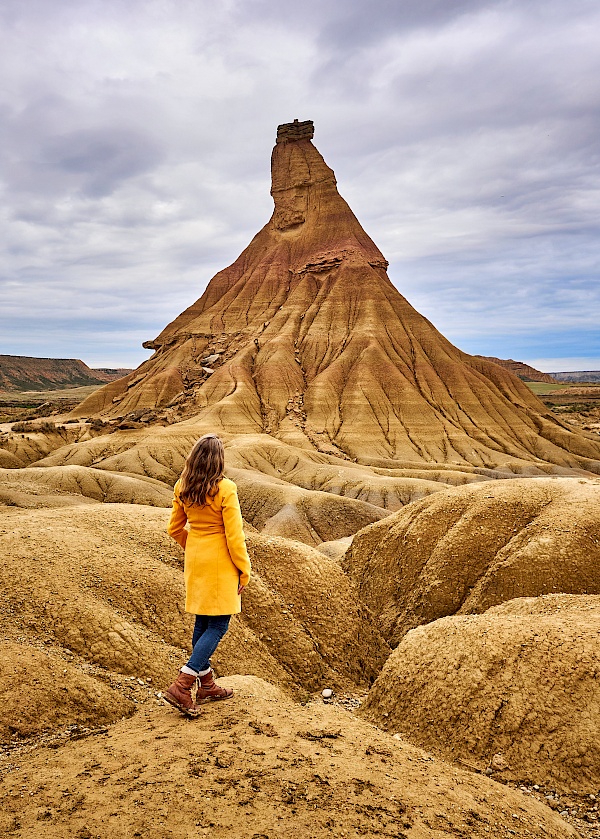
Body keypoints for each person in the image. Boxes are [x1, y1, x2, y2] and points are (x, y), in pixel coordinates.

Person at [163, 434, 251, 717]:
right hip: (220, 561)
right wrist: (244, 570)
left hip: (196, 559)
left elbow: (174, 529)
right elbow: (234, 537)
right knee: (219, 624)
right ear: (219, 460)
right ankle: (183, 683)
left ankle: (207, 684)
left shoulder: (182, 486)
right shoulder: (225, 488)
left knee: (203, 621)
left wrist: (195, 546)